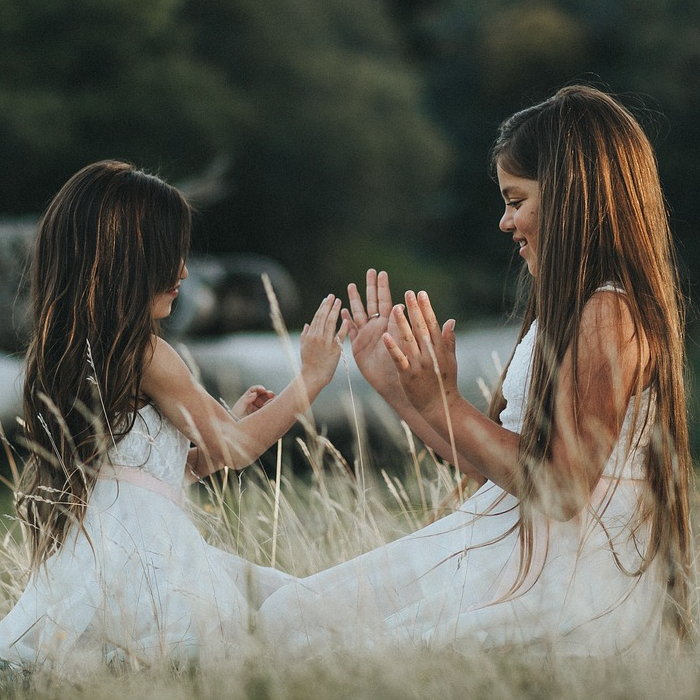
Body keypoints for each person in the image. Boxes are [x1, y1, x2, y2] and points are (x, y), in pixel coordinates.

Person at [258, 85, 693, 656]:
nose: (505, 223)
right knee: (285, 617)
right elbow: (501, 465)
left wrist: (446, 403)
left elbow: (561, 488)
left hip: (567, 572)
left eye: (516, 201)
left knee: (299, 626)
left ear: (571, 198)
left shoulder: (609, 314)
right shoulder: (570, 311)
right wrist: (397, 390)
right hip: (516, 539)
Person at [0, 160, 348, 671]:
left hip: (96, 559)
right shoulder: (148, 352)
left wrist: (223, 423)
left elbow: (156, 471)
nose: (184, 272)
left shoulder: (72, 350)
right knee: (295, 621)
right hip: (151, 562)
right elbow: (237, 449)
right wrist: (311, 379)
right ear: (127, 260)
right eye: (170, 256)